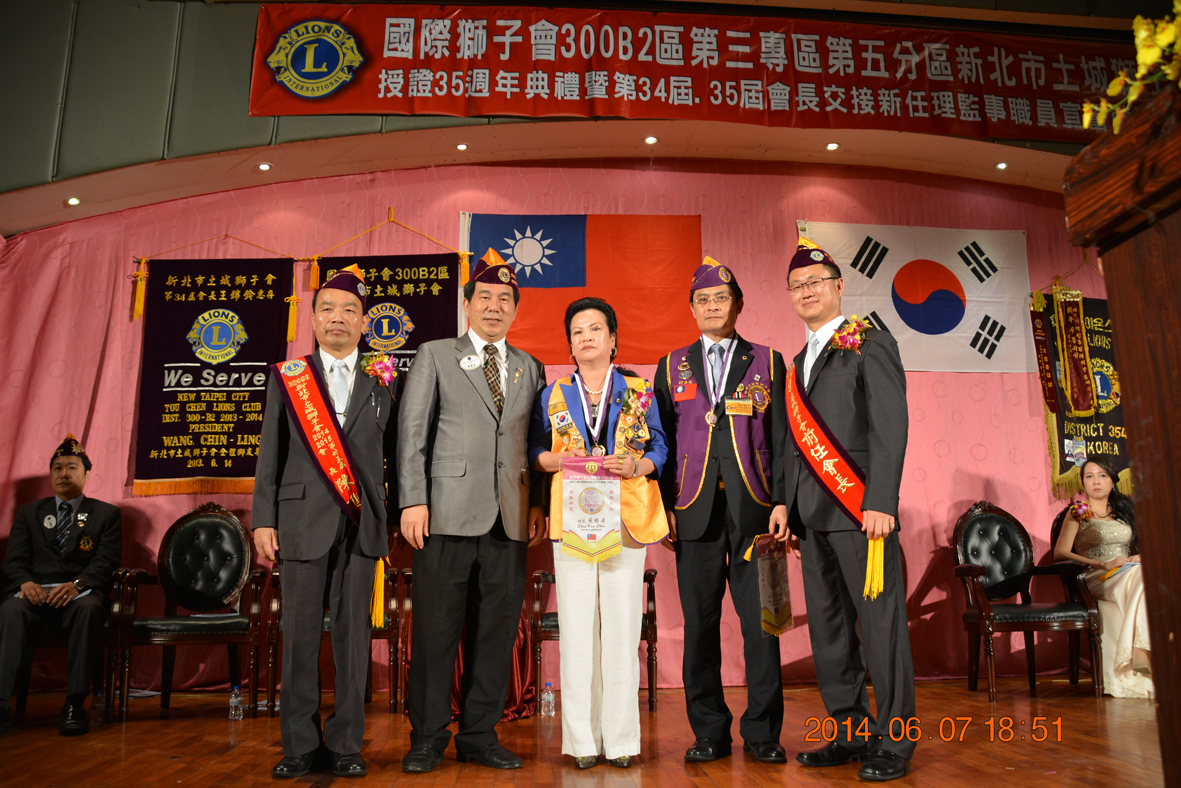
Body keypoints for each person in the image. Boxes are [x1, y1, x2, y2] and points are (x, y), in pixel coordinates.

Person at [398, 249, 546, 773]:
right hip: (445, 515)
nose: (494, 306)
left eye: (505, 299)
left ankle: (480, 734)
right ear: (467, 304)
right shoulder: (435, 355)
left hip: (510, 518)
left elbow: (536, 442)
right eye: (484, 297)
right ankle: (427, 737)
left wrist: (537, 503)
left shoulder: (530, 366)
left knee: (496, 632)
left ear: (515, 309)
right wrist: (413, 499)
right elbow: (412, 434)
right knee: (436, 630)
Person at [252, 265, 398, 779]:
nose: (338, 317)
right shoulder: (288, 376)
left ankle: (345, 745)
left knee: (353, 639)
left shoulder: (384, 378)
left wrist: (396, 516)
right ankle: (298, 745)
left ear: (364, 323)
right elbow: (270, 452)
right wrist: (263, 519)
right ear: (312, 319)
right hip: (298, 520)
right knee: (298, 636)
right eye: (328, 309)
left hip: (363, 522)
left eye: (350, 310)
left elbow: (396, 454)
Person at [784, 240, 914, 781]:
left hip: (862, 514)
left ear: (839, 287)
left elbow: (890, 425)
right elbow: (794, 445)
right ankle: (850, 732)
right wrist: (786, 507)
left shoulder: (871, 342)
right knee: (830, 631)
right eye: (797, 286)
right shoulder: (796, 363)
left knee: (881, 628)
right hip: (812, 519)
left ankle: (896, 743)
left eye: (816, 282)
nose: (807, 291)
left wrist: (882, 500)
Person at [654, 257, 791, 765]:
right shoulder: (671, 365)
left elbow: (782, 437)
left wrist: (783, 501)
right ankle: (709, 731)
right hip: (693, 511)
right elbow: (661, 442)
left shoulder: (769, 361)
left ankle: (763, 733)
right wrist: (664, 507)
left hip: (758, 511)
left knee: (763, 625)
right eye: (703, 300)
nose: (712, 306)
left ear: (738, 305)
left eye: (721, 298)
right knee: (700, 626)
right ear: (692, 308)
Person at [528, 298, 669, 770]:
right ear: (569, 345)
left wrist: (637, 465)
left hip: (625, 521)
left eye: (595, 329)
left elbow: (660, 447)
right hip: (573, 520)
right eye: (578, 331)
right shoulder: (552, 394)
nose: (586, 337)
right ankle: (583, 742)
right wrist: (558, 460)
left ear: (613, 339)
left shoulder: (639, 390)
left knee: (623, 630)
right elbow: (535, 451)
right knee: (577, 630)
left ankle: (622, 740)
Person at [0, 435, 121, 737]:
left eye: (71, 467)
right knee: (10, 610)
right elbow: (13, 561)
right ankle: (1, 704)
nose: (64, 474)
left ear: (87, 474)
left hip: (78, 594)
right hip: (35, 593)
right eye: (57, 468)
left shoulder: (105, 514)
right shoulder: (30, 513)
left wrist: (78, 584)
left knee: (90, 608)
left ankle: (74, 705)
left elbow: (106, 561)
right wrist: (25, 582)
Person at [1053, 458, 1152, 698]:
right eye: (1090, 476)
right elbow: (1060, 553)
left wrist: (1139, 556)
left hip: (1127, 572)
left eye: (1102, 475)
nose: (1096, 481)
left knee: (1145, 575)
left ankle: (1142, 657)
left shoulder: (1124, 513)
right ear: (1083, 483)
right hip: (1096, 576)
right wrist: (1102, 564)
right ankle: (1143, 656)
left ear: (1113, 482)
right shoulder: (1077, 513)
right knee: (1140, 577)